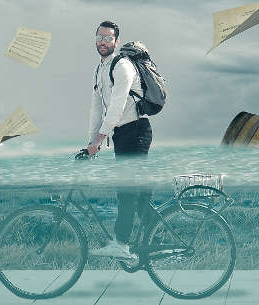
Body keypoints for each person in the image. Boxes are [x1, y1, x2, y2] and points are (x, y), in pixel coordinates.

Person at [87, 21, 153, 260]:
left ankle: (122, 245)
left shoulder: (122, 66)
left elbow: (117, 107)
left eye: (108, 38)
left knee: (126, 191)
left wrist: (99, 140)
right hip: (123, 134)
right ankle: (151, 242)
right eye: (100, 37)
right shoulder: (100, 69)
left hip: (136, 131)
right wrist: (90, 143)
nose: (103, 42)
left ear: (116, 41)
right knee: (137, 194)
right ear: (95, 39)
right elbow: (97, 109)